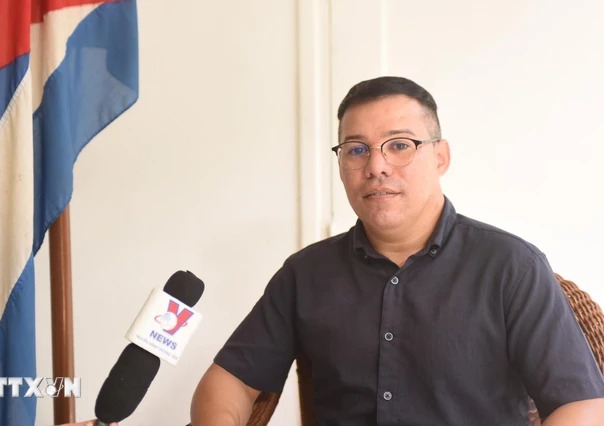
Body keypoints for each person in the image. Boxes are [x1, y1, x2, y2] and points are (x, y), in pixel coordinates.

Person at [190, 76, 604, 425]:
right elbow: (231, 380)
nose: (376, 166)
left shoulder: (511, 267)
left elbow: (581, 405)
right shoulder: (306, 274)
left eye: (399, 145)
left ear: (440, 157)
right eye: (356, 150)